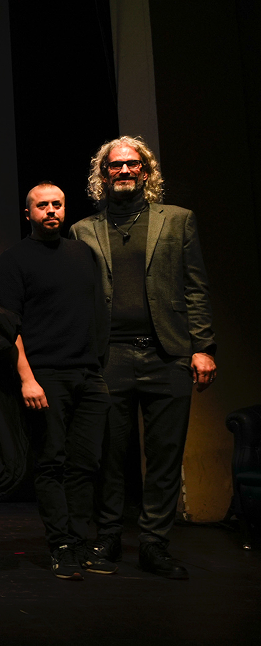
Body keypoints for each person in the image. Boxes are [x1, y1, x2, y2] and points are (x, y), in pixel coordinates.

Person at [71, 136, 216, 580]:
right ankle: (109, 535)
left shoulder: (178, 221)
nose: (125, 172)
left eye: (133, 165)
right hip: (109, 356)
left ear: (146, 172)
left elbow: (195, 287)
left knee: (165, 454)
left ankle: (154, 543)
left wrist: (203, 347)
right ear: (103, 175)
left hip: (167, 353)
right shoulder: (83, 231)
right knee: (110, 454)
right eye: (115, 166)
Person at [0, 182, 111, 580]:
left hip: (89, 375)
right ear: (28, 214)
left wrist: (98, 367)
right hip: (45, 377)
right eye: (42, 206)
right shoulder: (14, 260)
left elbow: (95, 312)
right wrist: (28, 379)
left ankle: (80, 542)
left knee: (86, 464)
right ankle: (60, 545)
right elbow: (9, 328)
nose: (51, 211)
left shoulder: (83, 254)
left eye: (57, 204)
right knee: (52, 463)